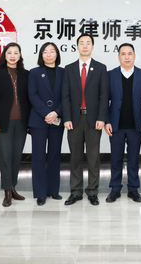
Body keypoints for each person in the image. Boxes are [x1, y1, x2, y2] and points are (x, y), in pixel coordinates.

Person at [62, 34, 109, 206]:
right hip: (74, 120)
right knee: (75, 157)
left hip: (93, 119)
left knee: (93, 157)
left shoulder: (101, 68)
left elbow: (104, 96)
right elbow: (65, 96)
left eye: (88, 43)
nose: (85, 46)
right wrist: (66, 118)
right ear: (77, 46)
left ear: (92, 46)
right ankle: (75, 192)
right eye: (81, 43)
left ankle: (92, 191)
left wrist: (102, 118)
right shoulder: (69, 68)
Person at [105, 43, 141, 203]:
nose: (127, 57)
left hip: (136, 125)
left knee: (133, 159)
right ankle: (115, 189)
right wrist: (107, 121)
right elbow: (104, 100)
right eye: (123, 54)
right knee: (116, 158)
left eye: (130, 53)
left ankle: (133, 189)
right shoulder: (110, 75)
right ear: (118, 56)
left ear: (134, 56)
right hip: (116, 125)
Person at [0, 42, 31, 207]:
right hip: (3, 123)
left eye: (16, 53)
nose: (13, 56)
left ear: (20, 55)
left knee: (16, 157)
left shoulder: (26, 74)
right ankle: (7, 191)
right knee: (5, 157)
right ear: (4, 55)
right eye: (9, 53)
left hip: (21, 122)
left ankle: (13, 187)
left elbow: (29, 99)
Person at [28, 42, 65, 206]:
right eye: (45, 52)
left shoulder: (64, 72)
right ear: (41, 55)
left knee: (55, 155)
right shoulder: (34, 73)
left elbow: (67, 95)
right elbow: (32, 95)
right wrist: (46, 113)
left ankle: (53, 190)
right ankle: (40, 192)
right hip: (39, 120)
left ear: (57, 54)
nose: (49, 54)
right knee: (38, 156)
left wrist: (56, 112)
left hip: (57, 119)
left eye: (52, 51)